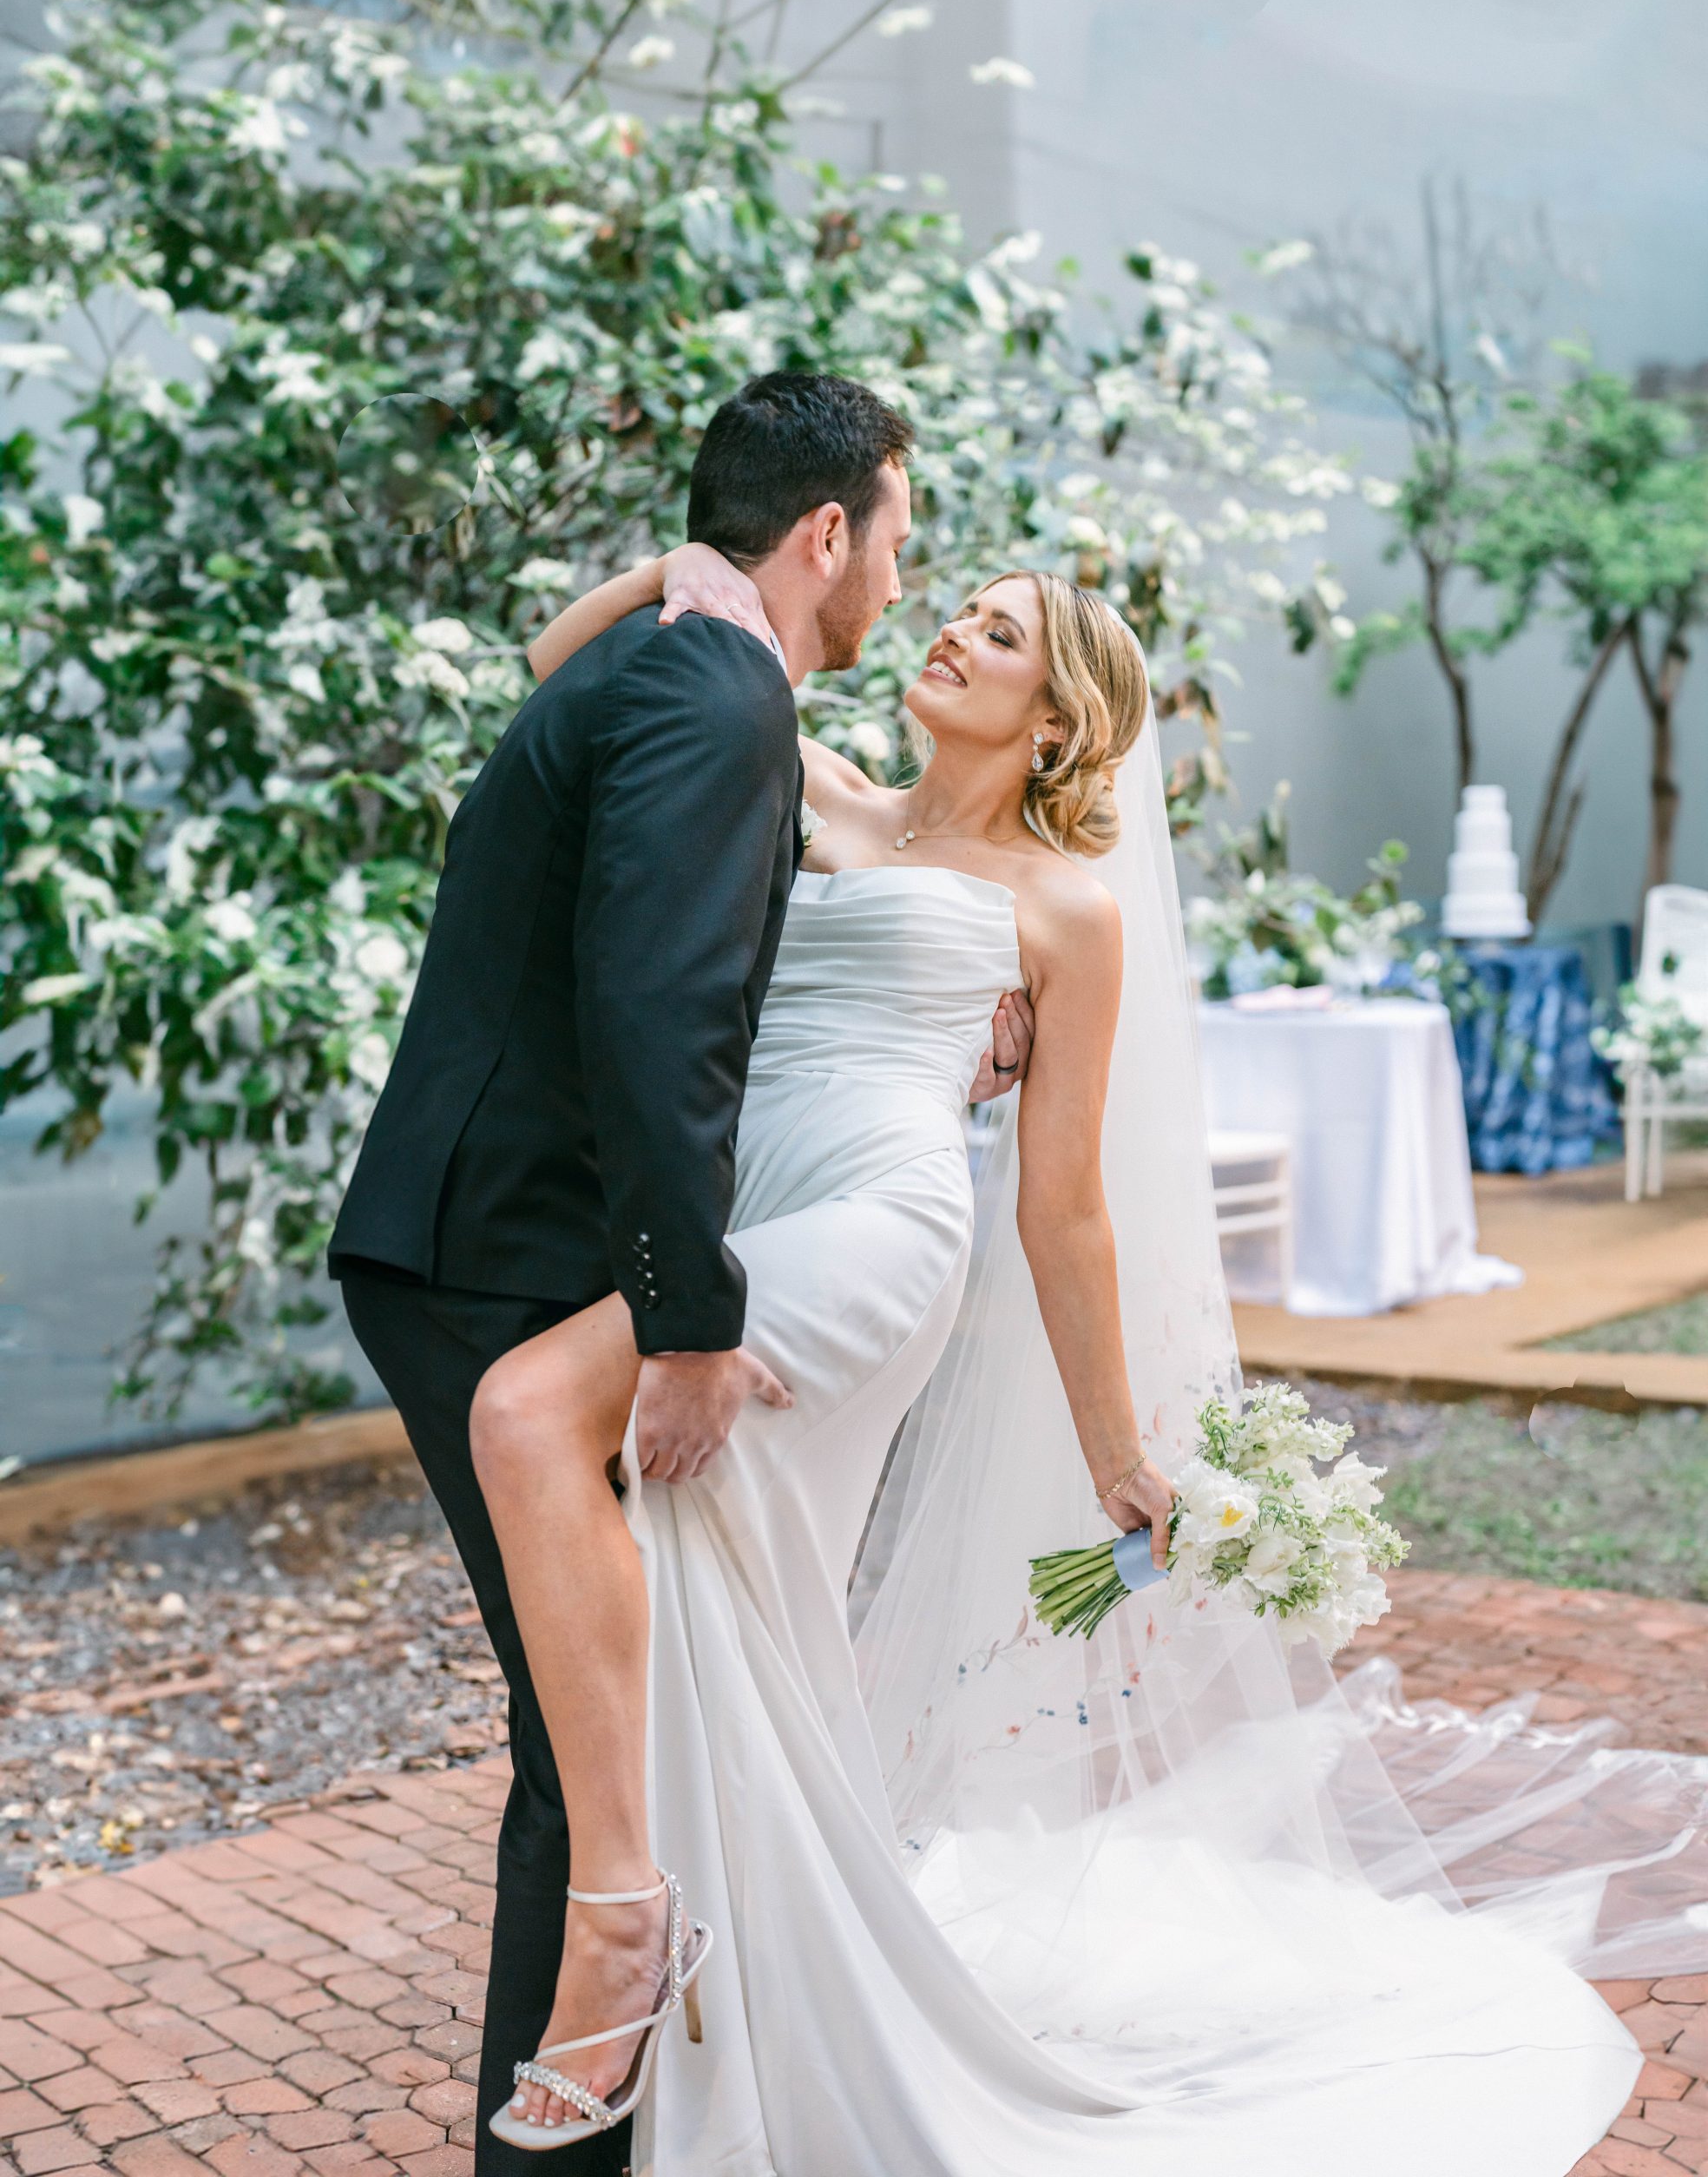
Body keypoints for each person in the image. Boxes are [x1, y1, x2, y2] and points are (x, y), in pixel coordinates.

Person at [463, 543, 1665, 2175]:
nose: (954, 624)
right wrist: (669, 569)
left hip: (869, 1240)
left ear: (1055, 718)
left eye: (1003, 632)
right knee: (716, 1591)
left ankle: (638, 1932)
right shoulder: (811, 784)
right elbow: (558, 679)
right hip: (743, 1217)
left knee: (565, 1441)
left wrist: (1119, 1455)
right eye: (960, 604)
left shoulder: (1066, 909)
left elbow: (1067, 1211)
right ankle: (761, 1994)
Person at [328, 372, 1031, 2174]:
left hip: (481, 1226)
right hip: (499, 1243)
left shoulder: (688, 672)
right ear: (829, 533)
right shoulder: (717, 690)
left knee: (599, 1728)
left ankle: (584, 2119)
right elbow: (663, 1024)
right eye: (899, 528)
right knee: (596, 1749)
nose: (907, 571)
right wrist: (691, 1316)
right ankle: (588, 2077)